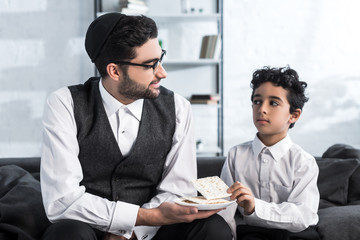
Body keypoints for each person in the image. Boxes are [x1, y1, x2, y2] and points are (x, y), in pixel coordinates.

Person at [40, 13, 232, 240]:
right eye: (151, 65)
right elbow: (63, 200)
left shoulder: (178, 108)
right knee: (67, 234)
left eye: (160, 59)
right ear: (114, 71)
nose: (162, 73)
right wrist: (139, 218)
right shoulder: (65, 103)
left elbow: (178, 189)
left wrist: (133, 231)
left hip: (155, 231)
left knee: (214, 228)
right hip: (91, 227)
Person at [219, 66, 320, 240]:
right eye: (257, 101)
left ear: (294, 115)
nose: (262, 109)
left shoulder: (304, 162)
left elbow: (303, 215)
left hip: (295, 235)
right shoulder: (235, 155)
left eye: (273, 103)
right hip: (252, 234)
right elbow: (224, 212)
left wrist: (254, 207)